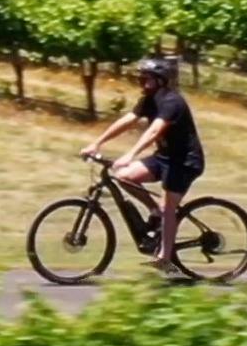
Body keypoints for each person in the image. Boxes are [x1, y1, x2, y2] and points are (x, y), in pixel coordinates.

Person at [87, 55, 203, 264]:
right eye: (140, 78)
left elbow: (154, 132)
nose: (141, 82)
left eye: (145, 78)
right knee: (123, 176)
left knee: (169, 206)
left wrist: (130, 155)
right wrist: (97, 142)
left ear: (160, 80)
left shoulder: (172, 102)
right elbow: (128, 120)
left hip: (184, 162)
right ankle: (154, 210)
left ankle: (164, 257)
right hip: (164, 157)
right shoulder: (150, 100)